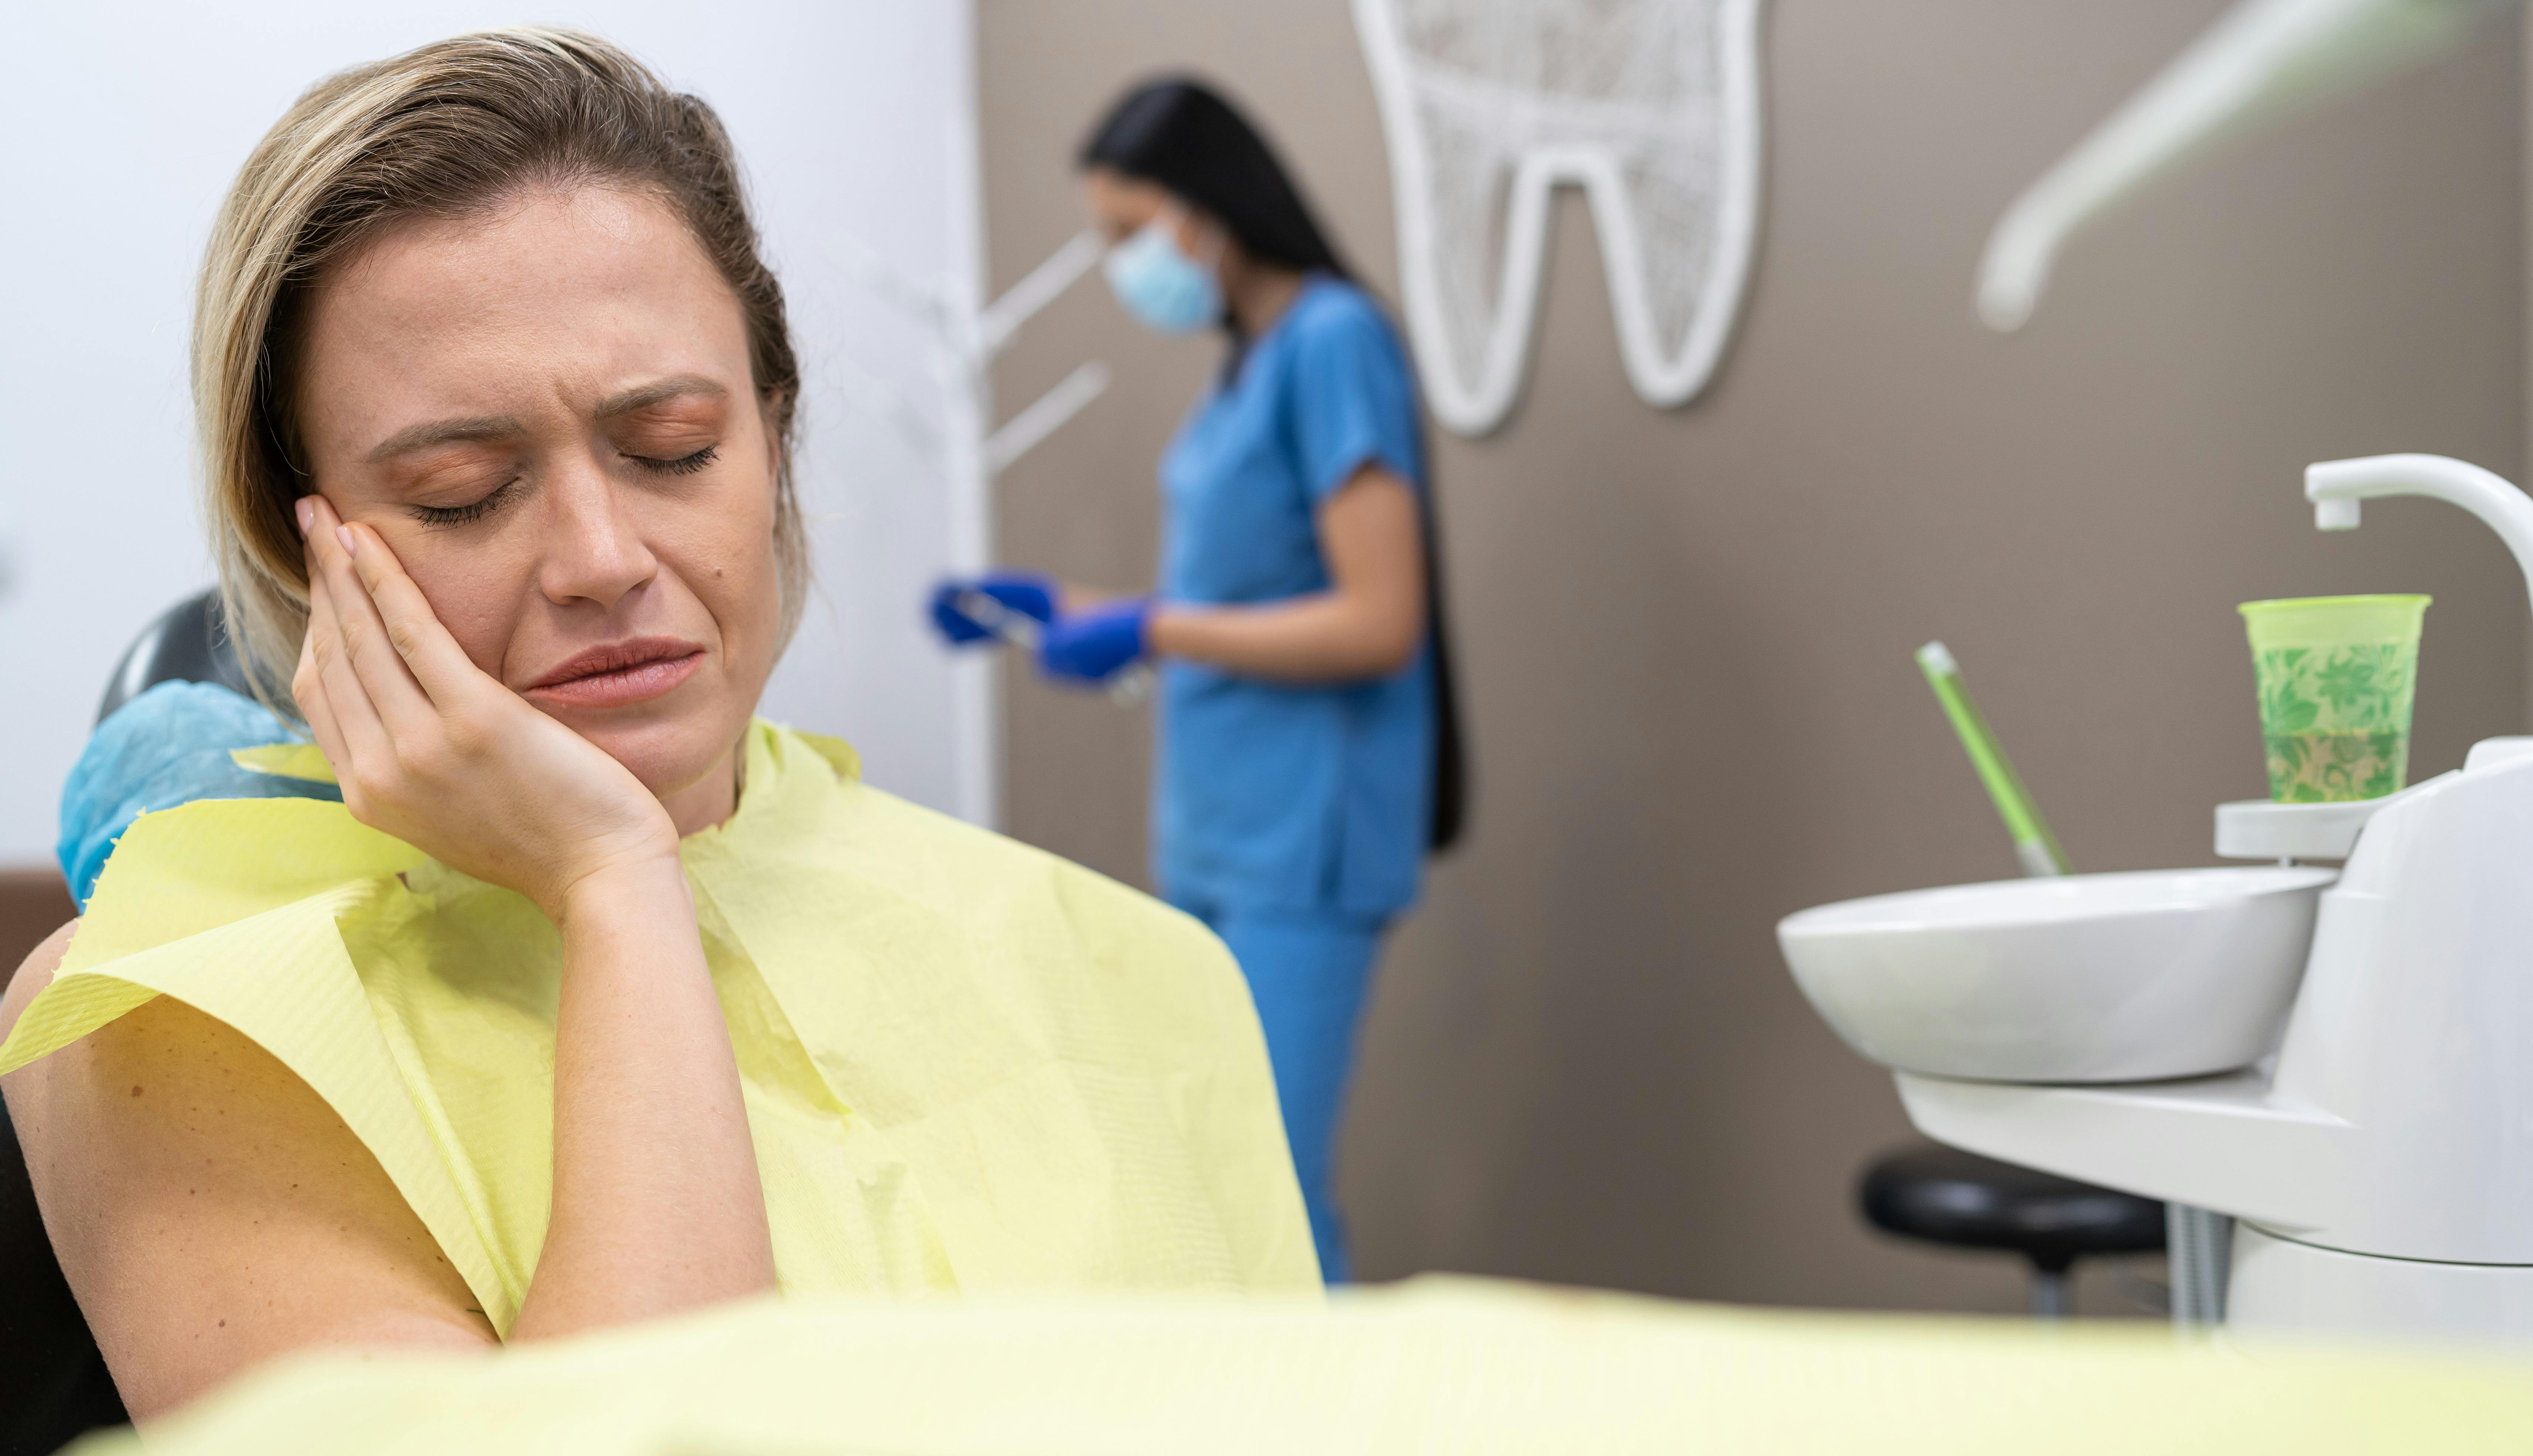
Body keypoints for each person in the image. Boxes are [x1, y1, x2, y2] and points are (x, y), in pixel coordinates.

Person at [0, 31, 1314, 1421]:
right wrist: (614, 884)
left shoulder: (1145, 973)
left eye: (676, 448)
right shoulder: (172, 1022)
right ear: (299, 536)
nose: (599, 557)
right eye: (461, 491)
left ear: (774, 437)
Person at [929, 79, 1466, 1283]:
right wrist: (1057, 615)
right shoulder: (1251, 364)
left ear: (1208, 209)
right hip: (1223, 829)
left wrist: (1151, 628)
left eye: (1129, 233)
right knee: (1214, 1177)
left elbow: (1380, 620)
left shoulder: (1332, 341)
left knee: (1264, 1192)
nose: (1121, 265)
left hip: (1304, 836)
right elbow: (1241, 590)